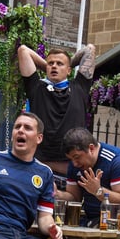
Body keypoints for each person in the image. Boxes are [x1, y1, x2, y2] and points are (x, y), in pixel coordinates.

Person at [17, 43, 96, 178]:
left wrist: (66, 64)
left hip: (72, 167)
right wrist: (49, 67)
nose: (54, 66)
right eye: (51, 63)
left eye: (59, 64)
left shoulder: (79, 87)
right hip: (39, 167)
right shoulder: (37, 87)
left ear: (69, 70)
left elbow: (90, 49)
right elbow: (23, 50)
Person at [59, 127, 120, 224]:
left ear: (91, 148)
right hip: (90, 220)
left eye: (77, 157)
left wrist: (98, 191)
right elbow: (75, 199)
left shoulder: (118, 161)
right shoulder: (75, 165)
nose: (74, 164)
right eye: (71, 159)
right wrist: (57, 194)